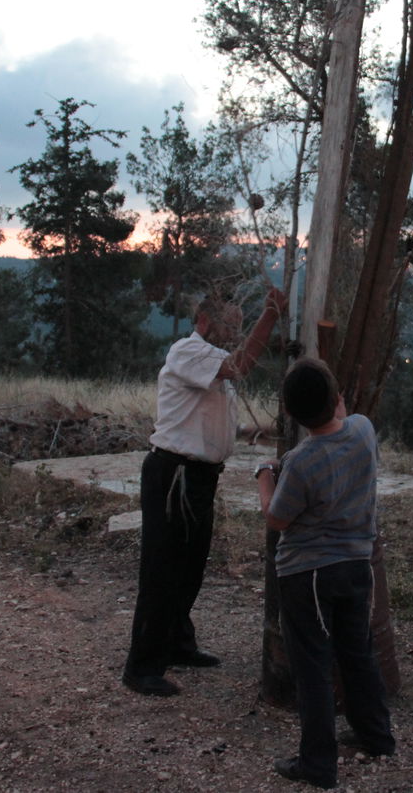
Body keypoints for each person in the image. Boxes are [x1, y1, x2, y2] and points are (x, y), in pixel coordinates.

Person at [122, 287, 287, 698]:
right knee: (162, 570)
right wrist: (270, 315)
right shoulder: (188, 352)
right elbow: (241, 363)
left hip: (198, 476)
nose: (235, 332)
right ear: (204, 324)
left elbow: (212, 418)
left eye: (238, 325)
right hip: (173, 473)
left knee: (190, 566)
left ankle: (178, 643)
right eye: (229, 325)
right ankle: (141, 666)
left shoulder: (212, 365)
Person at [255, 357, 395, 789]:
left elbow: (276, 518)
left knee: (312, 666)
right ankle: (377, 735)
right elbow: (344, 425)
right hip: (357, 566)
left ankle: (317, 764)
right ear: (338, 399)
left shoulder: (301, 462)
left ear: (292, 415)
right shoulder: (364, 431)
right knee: (357, 651)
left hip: (309, 574)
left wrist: (263, 475)